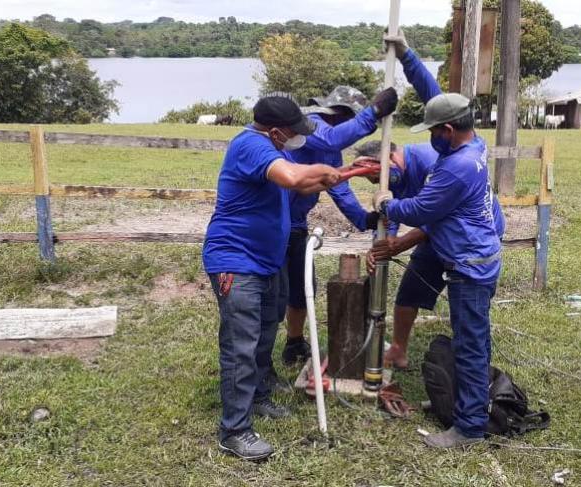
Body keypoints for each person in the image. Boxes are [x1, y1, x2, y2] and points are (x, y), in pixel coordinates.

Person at [372, 30, 504, 448]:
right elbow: (437, 95)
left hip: (469, 264)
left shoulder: (454, 168)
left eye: (433, 130)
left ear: (448, 131)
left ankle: (468, 428)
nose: (428, 135)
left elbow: (419, 210)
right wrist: (408, 55)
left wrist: (386, 204)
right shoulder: (471, 143)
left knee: (469, 344)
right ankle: (469, 402)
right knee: (474, 338)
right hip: (473, 254)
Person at [202, 95, 341, 461]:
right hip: (236, 261)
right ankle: (234, 430)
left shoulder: (271, 147)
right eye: (294, 134)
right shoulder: (251, 145)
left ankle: (259, 393)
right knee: (240, 345)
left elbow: (300, 186)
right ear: (277, 132)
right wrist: (319, 172)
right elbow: (294, 176)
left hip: (265, 260)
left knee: (265, 330)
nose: (299, 139)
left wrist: (344, 173)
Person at [355, 141, 504, 371]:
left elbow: (434, 214)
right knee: (409, 291)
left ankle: (475, 371)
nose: (376, 184)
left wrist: (401, 243)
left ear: (391, 161)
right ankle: (398, 350)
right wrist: (383, 241)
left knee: (469, 309)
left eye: (376, 179)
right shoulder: (394, 174)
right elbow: (390, 206)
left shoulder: (431, 163)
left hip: (466, 238)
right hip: (437, 231)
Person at [278, 85, 398, 369]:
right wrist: (374, 113)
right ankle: (262, 351)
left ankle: (293, 342)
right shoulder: (312, 127)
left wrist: (363, 219)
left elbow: (340, 189)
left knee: (300, 287)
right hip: (273, 222)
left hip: (296, 224)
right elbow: (332, 139)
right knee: (272, 291)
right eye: (352, 121)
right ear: (342, 115)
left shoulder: (330, 152)